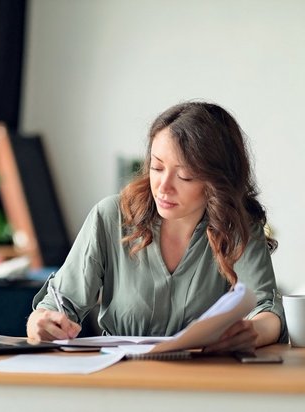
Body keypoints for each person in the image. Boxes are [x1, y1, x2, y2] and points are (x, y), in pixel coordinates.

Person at [27, 101, 288, 352]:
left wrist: (253, 332)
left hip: (205, 379)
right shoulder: (110, 217)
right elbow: (59, 303)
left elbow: (265, 308)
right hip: (120, 376)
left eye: (184, 175)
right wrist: (41, 322)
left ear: (218, 181)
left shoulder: (238, 227)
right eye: (157, 167)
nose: (163, 187)